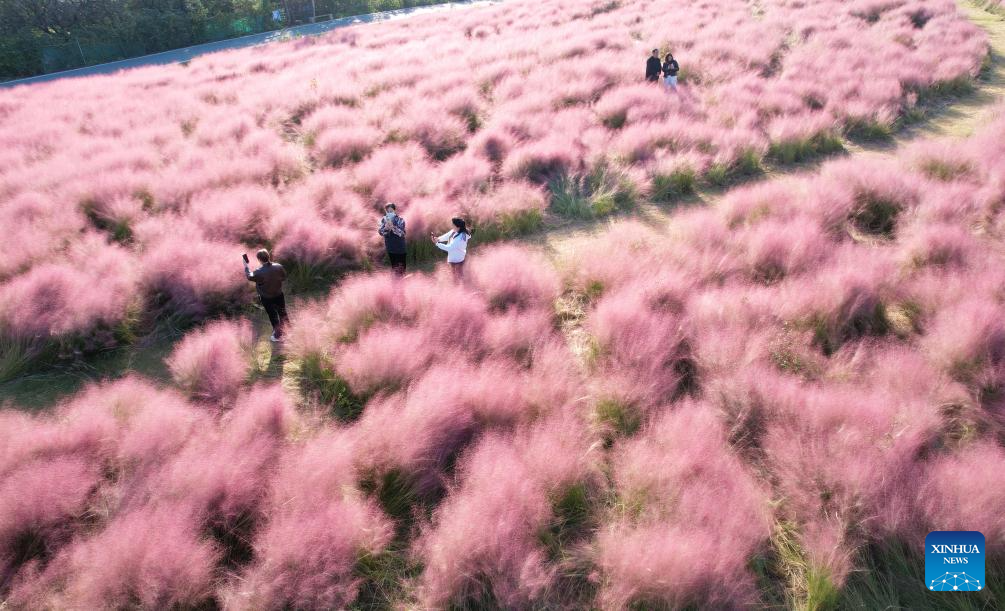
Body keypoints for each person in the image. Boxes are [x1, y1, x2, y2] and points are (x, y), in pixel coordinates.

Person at [245, 249, 288, 342]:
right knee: (282, 313)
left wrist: (246, 266)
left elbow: (249, 276)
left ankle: (278, 335)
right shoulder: (279, 266)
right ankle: (288, 330)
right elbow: (284, 277)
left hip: (267, 298)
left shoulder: (258, 271)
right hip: (279, 294)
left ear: (259, 259)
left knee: (273, 316)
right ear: (268, 256)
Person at [378, 202, 407, 275]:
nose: (389, 212)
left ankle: (402, 282)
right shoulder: (384, 220)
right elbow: (380, 232)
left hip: (400, 247)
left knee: (401, 267)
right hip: (390, 247)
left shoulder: (400, 219)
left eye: (391, 211)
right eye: (387, 211)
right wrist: (386, 228)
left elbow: (402, 233)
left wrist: (393, 227)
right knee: (394, 266)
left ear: (394, 210)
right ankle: (396, 282)